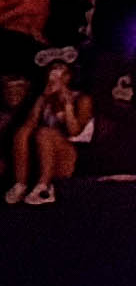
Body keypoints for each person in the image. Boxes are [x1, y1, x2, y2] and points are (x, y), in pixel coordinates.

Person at [5, 57, 94, 205]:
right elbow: (29, 125)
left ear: (68, 76)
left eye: (59, 69)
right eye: (51, 70)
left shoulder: (82, 99)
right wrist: (42, 99)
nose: (54, 74)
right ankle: (20, 184)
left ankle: (44, 186)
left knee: (44, 133)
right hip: (46, 154)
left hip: (74, 155)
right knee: (24, 131)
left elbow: (74, 131)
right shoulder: (45, 98)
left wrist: (67, 105)